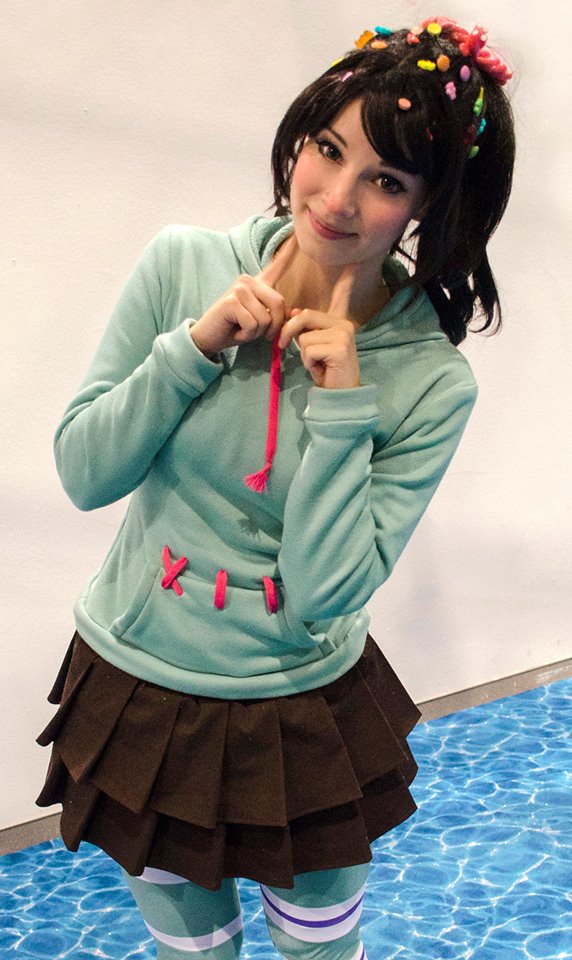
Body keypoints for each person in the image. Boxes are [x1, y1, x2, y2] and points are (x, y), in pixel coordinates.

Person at [37, 16, 515, 960]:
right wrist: (190, 349)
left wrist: (342, 408)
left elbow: (326, 592)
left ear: (431, 203)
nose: (335, 198)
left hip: (301, 706)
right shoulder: (183, 264)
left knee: (317, 950)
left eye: (386, 180)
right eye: (328, 149)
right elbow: (84, 473)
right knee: (191, 950)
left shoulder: (432, 381)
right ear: (299, 139)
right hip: (139, 687)